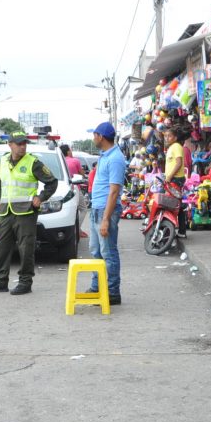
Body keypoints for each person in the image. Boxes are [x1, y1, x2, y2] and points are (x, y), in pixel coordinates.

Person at [0, 133, 57, 295]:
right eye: (19, 144)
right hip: (5, 211)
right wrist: (0, 198)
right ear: (10, 145)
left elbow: (52, 182)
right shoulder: (2, 160)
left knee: (26, 249)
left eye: (24, 143)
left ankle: (25, 282)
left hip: (26, 212)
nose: (23, 146)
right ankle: (0, 281)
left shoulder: (33, 162)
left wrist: (41, 197)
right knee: (0, 248)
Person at [88, 122, 127, 305]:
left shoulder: (116, 158)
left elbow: (114, 191)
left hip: (106, 211)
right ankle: (97, 287)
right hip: (96, 209)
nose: (93, 138)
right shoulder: (104, 155)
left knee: (108, 252)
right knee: (96, 251)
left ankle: (112, 292)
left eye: (94, 135)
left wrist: (105, 219)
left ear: (101, 136)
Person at [163, 129, 188, 237]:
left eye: (169, 136)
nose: (166, 138)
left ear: (175, 138)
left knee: (172, 205)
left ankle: (172, 230)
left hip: (175, 179)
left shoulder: (176, 146)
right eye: (165, 136)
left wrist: (169, 176)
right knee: (177, 205)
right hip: (172, 179)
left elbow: (179, 163)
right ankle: (181, 231)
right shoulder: (171, 147)